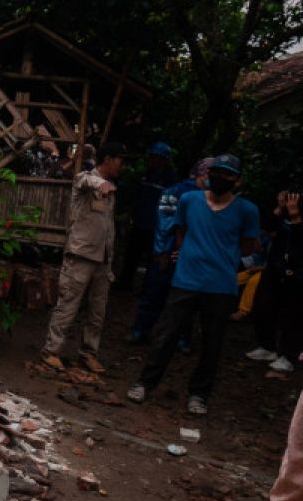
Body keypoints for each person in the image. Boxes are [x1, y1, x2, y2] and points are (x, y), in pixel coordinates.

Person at [127, 154, 261, 415]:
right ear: (208, 174)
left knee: (212, 344)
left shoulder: (247, 210)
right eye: (216, 172)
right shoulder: (189, 201)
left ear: (238, 180)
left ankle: (199, 395)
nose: (220, 178)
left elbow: (247, 245)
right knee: (166, 334)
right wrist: (185, 254)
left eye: (228, 175)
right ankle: (144, 383)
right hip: (186, 280)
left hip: (221, 285)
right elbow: (180, 233)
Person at [40, 142, 127, 374]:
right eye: (120, 159)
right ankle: (51, 351)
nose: (122, 165)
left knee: (97, 311)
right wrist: (102, 183)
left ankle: (89, 353)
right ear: (107, 159)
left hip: (103, 258)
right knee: (68, 304)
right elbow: (85, 180)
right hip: (81, 254)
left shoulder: (112, 190)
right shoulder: (86, 179)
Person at [128, 157, 212, 343]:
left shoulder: (214, 198)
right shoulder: (176, 191)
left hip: (193, 255)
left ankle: (182, 337)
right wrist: (163, 252)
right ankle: (142, 329)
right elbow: (164, 225)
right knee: (155, 292)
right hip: (169, 251)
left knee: (188, 298)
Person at [246, 192, 303, 372]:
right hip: (275, 267)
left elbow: (300, 242)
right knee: (264, 306)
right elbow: (267, 227)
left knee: (292, 316)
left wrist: (295, 216)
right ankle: (267, 347)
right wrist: (279, 208)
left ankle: (289, 356)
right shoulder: (284, 213)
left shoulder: (296, 216)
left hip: (297, 272)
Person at [117, 142, 178, 290]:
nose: (152, 160)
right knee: (131, 255)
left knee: (153, 259)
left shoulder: (170, 180)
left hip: (156, 227)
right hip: (139, 223)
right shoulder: (146, 175)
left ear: (163, 160)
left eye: (156, 158)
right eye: (151, 157)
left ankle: (147, 288)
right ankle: (124, 283)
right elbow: (138, 197)